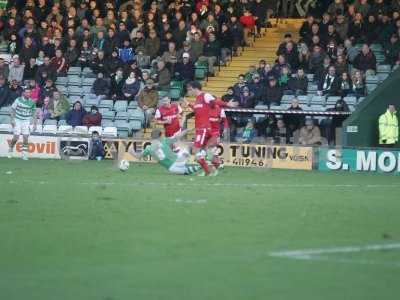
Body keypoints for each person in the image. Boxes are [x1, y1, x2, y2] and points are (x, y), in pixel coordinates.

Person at [128, 128, 201, 175]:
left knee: (185, 171)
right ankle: (202, 161)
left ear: (152, 137)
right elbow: (177, 137)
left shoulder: (149, 148)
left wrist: (131, 151)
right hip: (179, 160)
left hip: (172, 168)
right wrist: (187, 130)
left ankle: (200, 166)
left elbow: (138, 156)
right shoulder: (164, 140)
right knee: (189, 147)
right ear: (160, 136)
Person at [185, 81, 219, 176]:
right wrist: (188, 104)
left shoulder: (205, 96)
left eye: (190, 89)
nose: (189, 91)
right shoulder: (197, 99)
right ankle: (215, 164)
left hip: (203, 129)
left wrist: (227, 103)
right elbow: (197, 110)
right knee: (205, 151)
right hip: (202, 128)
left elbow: (215, 102)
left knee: (196, 151)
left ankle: (208, 171)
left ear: (195, 88)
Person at [8, 87, 37, 160]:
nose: (28, 94)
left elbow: (34, 114)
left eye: (29, 92)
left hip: (26, 120)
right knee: (16, 137)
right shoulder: (18, 100)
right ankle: (11, 148)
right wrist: (12, 120)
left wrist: (35, 124)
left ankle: (24, 155)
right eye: (26, 92)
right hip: (17, 119)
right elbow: (12, 109)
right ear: (23, 93)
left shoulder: (32, 102)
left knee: (26, 137)